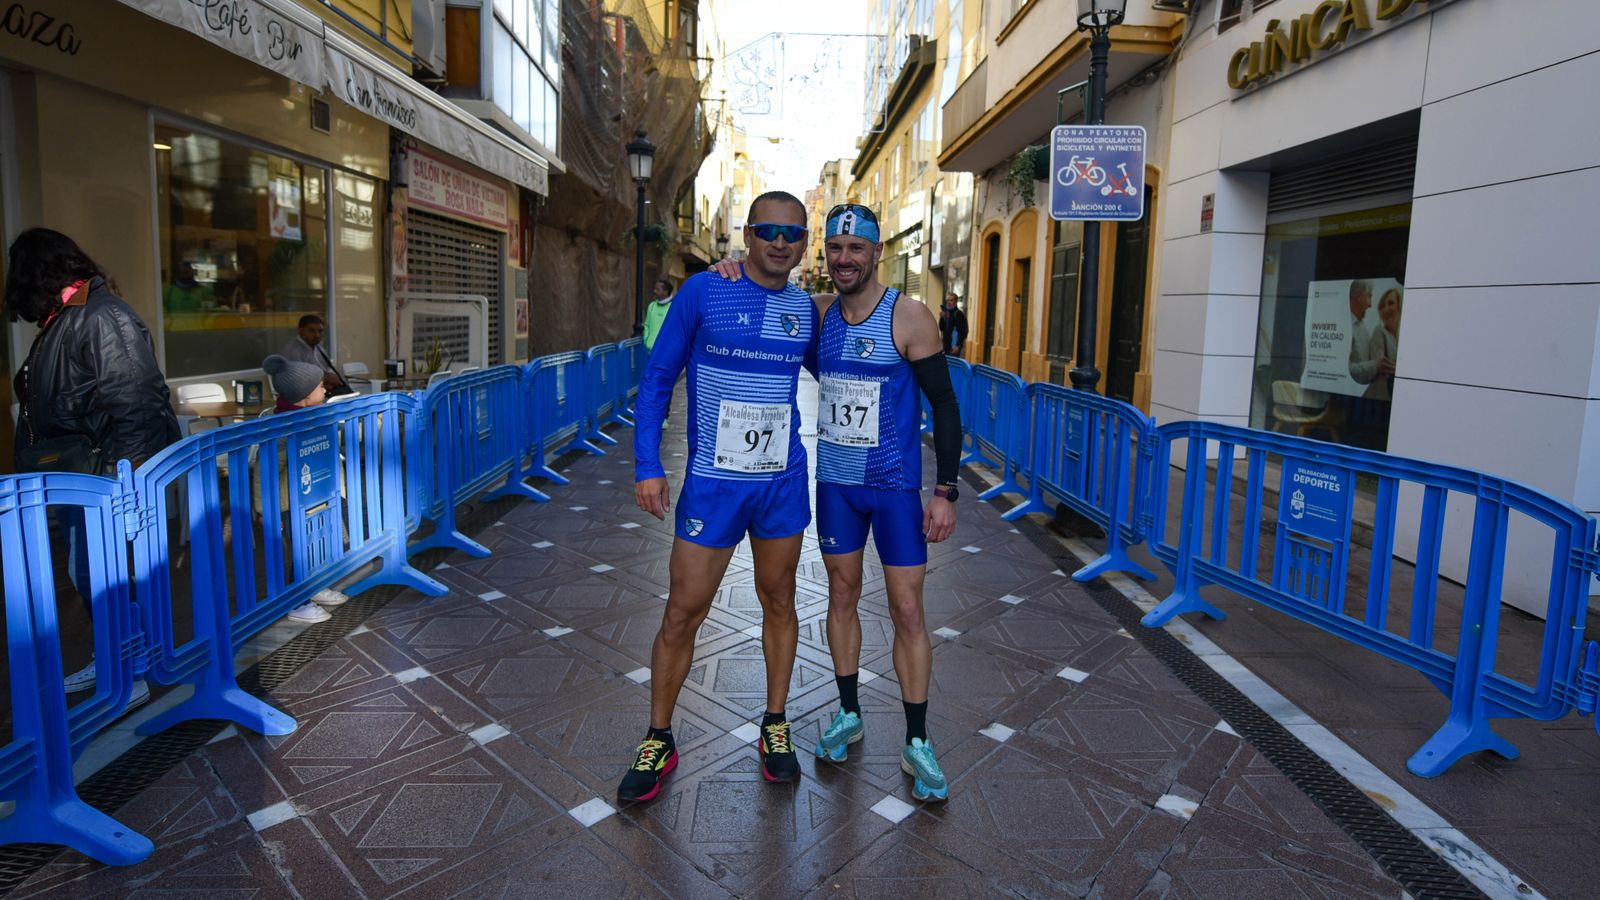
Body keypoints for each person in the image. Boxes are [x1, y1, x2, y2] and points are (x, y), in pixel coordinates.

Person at [619, 191, 819, 803]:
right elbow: (658, 378)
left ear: (804, 243)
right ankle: (659, 736)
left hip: (782, 483)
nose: (779, 243)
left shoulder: (807, 310)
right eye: (767, 231)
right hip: (713, 482)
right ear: (747, 235)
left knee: (780, 601)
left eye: (792, 233)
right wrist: (647, 463)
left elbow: (844, 368)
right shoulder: (705, 292)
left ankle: (776, 724)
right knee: (684, 610)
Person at [806, 204, 961, 802]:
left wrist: (945, 490)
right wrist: (731, 267)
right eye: (836, 248)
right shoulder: (818, 317)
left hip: (896, 489)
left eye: (856, 248)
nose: (845, 258)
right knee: (841, 595)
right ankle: (849, 712)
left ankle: (917, 739)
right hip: (837, 487)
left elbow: (945, 406)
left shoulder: (909, 315)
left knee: (906, 610)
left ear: (876, 253)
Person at [5, 227, 181, 705]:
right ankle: (118, 659)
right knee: (92, 573)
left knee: (101, 574)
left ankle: (130, 668)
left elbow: (136, 402)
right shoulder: (75, 316)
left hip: (104, 475)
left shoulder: (98, 316)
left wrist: (130, 480)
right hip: (88, 471)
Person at [260, 354, 352, 624]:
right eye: (320, 386)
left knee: (320, 545)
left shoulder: (314, 417)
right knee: (302, 551)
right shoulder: (283, 427)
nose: (326, 389)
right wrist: (264, 508)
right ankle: (297, 601)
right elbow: (264, 473)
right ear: (302, 396)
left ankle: (317, 586)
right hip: (293, 503)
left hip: (320, 496)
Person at [1351, 287, 1401, 400]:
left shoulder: (1402, 337)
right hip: (1381, 397)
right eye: (1382, 306)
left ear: (1399, 306)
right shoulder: (1380, 331)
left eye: (1391, 303)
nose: (1386, 309)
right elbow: (1382, 368)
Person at [278, 314, 347, 392]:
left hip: (324, 391)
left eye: (320, 331)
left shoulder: (318, 347)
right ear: (300, 330)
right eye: (311, 331)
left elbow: (327, 369)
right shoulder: (292, 351)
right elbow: (296, 382)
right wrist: (325, 379)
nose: (317, 335)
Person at [1345, 279, 1380, 385]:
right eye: (1369, 296)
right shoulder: (1345, 326)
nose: (1370, 305)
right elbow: (1343, 369)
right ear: (1357, 296)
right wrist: (1376, 366)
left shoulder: (1361, 326)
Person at [643, 277, 675, 352]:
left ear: (665, 292)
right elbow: (646, 325)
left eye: (658, 289)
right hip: (649, 351)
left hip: (665, 352)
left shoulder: (673, 307)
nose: (654, 291)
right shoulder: (652, 306)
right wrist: (646, 341)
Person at [938, 292, 968, 358]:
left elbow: (963, 332)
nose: (949, 302)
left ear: (956, 301)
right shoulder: (946, 313)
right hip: (946, 346)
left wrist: (958, 345)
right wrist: (942, 318)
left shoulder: (959, 314)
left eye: (951, 300)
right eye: (948, 300)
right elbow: (941, 328)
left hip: (954, 347)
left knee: (953, 365)